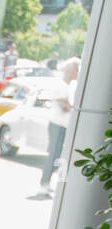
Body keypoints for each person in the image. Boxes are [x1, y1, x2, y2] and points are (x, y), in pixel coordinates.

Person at [39, 57, 81, 196]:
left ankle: (53, 183)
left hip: (64, 126)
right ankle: (44, 184)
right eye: (76, 69)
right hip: (57, 125)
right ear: (69, 70)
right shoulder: (60, 86)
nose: (77, 72)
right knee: (53, 156)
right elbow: (66, 107)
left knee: (61, 157)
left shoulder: (71, 86)